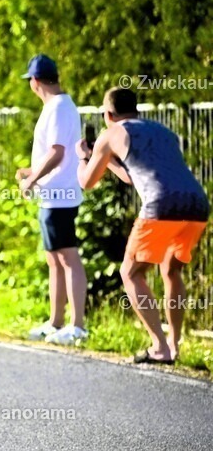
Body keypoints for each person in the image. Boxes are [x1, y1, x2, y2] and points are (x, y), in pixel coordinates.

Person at [78, 87, 210, 364]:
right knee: (171, 271)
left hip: (160, 205)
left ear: (108, 114)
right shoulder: (163, 131)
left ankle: (159, 346)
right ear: (135, 110)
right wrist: (110, 161)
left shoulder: (110, 134)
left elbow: (86, 182)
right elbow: (133, 175)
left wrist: (85, 157)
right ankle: (174, 345)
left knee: (131, 272)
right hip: (197, 202)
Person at [16, 54, 88, 346]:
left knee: (68, 259)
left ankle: (77, 326)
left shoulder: (58, 107)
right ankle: (56, 323)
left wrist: (32, 180)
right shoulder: (58, 106)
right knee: (55, 261)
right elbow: (59, 154)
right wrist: (31, 171)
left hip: (60, 195)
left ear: (35, 82)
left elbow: (57, 153)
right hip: (53, 194)